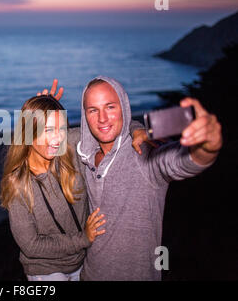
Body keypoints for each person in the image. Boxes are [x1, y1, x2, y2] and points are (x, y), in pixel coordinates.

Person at [41, 76, 222, 280]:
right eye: (93, 110)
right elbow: (31, 149)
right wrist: (39, 116)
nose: (102, 118)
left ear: (124, 108)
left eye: (110, 107)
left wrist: (208, 146)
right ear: (85, 116)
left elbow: (183, 162)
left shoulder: (143, 154)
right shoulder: (82, 152)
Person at [0, 95, 147, 281]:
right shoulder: (18, 183)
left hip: (84, 260)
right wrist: (83, 239)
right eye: (48, 130)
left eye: (61, 128)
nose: (56, 138)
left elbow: (108, 127)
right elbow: (31, 245)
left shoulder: (70, 144)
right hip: (46, 270)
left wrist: (138, 130)